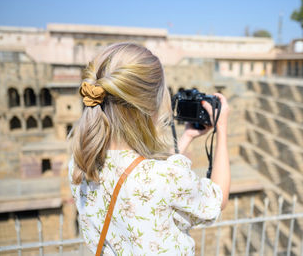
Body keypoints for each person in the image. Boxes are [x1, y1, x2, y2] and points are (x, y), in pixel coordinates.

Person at [67, 42, 230, 255]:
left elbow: (142, 173)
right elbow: (217, 200)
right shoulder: (166, 178)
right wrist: (222, 129)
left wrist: (187, 137)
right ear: (150, 104)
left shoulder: (80, 165)